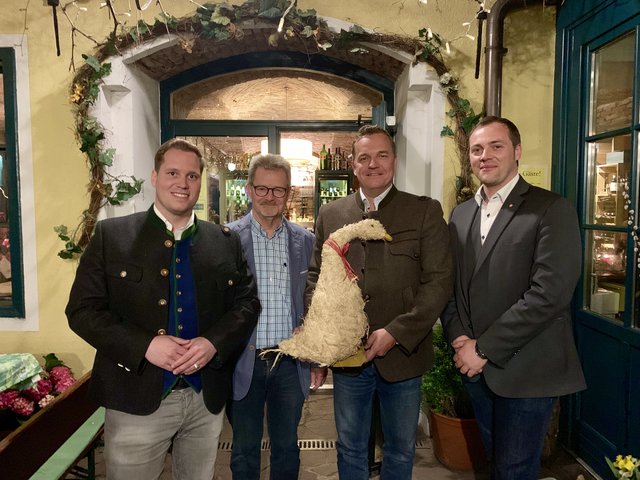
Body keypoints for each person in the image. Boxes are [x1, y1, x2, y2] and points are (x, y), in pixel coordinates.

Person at [66, 138, 260, 480]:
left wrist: (212, 342)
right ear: (155, 176)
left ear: (200, 181)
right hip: (135, 397)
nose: (182, 184)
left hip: (205, 399)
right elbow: (82, 311)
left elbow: (246, 304)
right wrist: (146, 346)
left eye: (191, 176)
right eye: (172, 173)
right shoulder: (113, 236)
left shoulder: (225, 242)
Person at [441, 116, 586, 480]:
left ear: (517, 152)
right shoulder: (461, 214)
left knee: (514, 471)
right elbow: (450, 284)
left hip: (527, 370)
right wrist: (459, 338)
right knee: (495, 466)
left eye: (496, 146)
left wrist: (483, 349)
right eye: (477, 149)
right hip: (476, 370)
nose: (484, 156)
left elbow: (549, 295)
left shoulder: (551, 209)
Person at [306, 125, 453, 479]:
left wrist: (398, 331)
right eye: (364, 158)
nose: (373, 164)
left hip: (402, 355)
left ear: (395, 161)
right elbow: (317, 279)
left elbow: (439, 281)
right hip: (348, 356)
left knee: (400, 450)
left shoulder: (423, 212)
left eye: (381, 155)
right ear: (353, 166)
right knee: (350, 447)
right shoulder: (332, 214)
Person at [227, 154, 327, 480]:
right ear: (248, 189)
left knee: (286, 446)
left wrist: (316, 352)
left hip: (289, 361)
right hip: (244, 360)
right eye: (262, 189)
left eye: (278, 190)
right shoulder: (225, 239)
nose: (270, 197)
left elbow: (317, 301)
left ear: (290, 193)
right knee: (243, 448)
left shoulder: (307, 242)